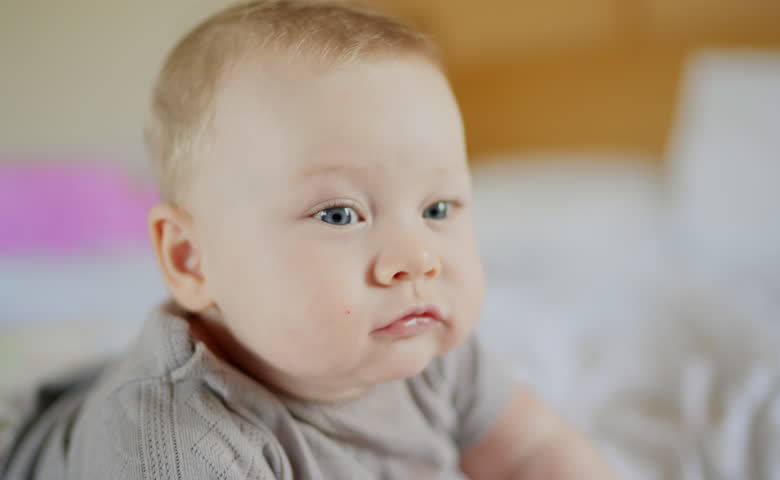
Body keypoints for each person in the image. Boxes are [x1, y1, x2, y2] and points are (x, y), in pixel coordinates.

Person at [1, 1, 618, 478]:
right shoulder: (181, 443)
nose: (416, 259)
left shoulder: (423, 342)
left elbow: (532, 451)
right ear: (191, 259)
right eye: (339, 215)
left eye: (437, 207)